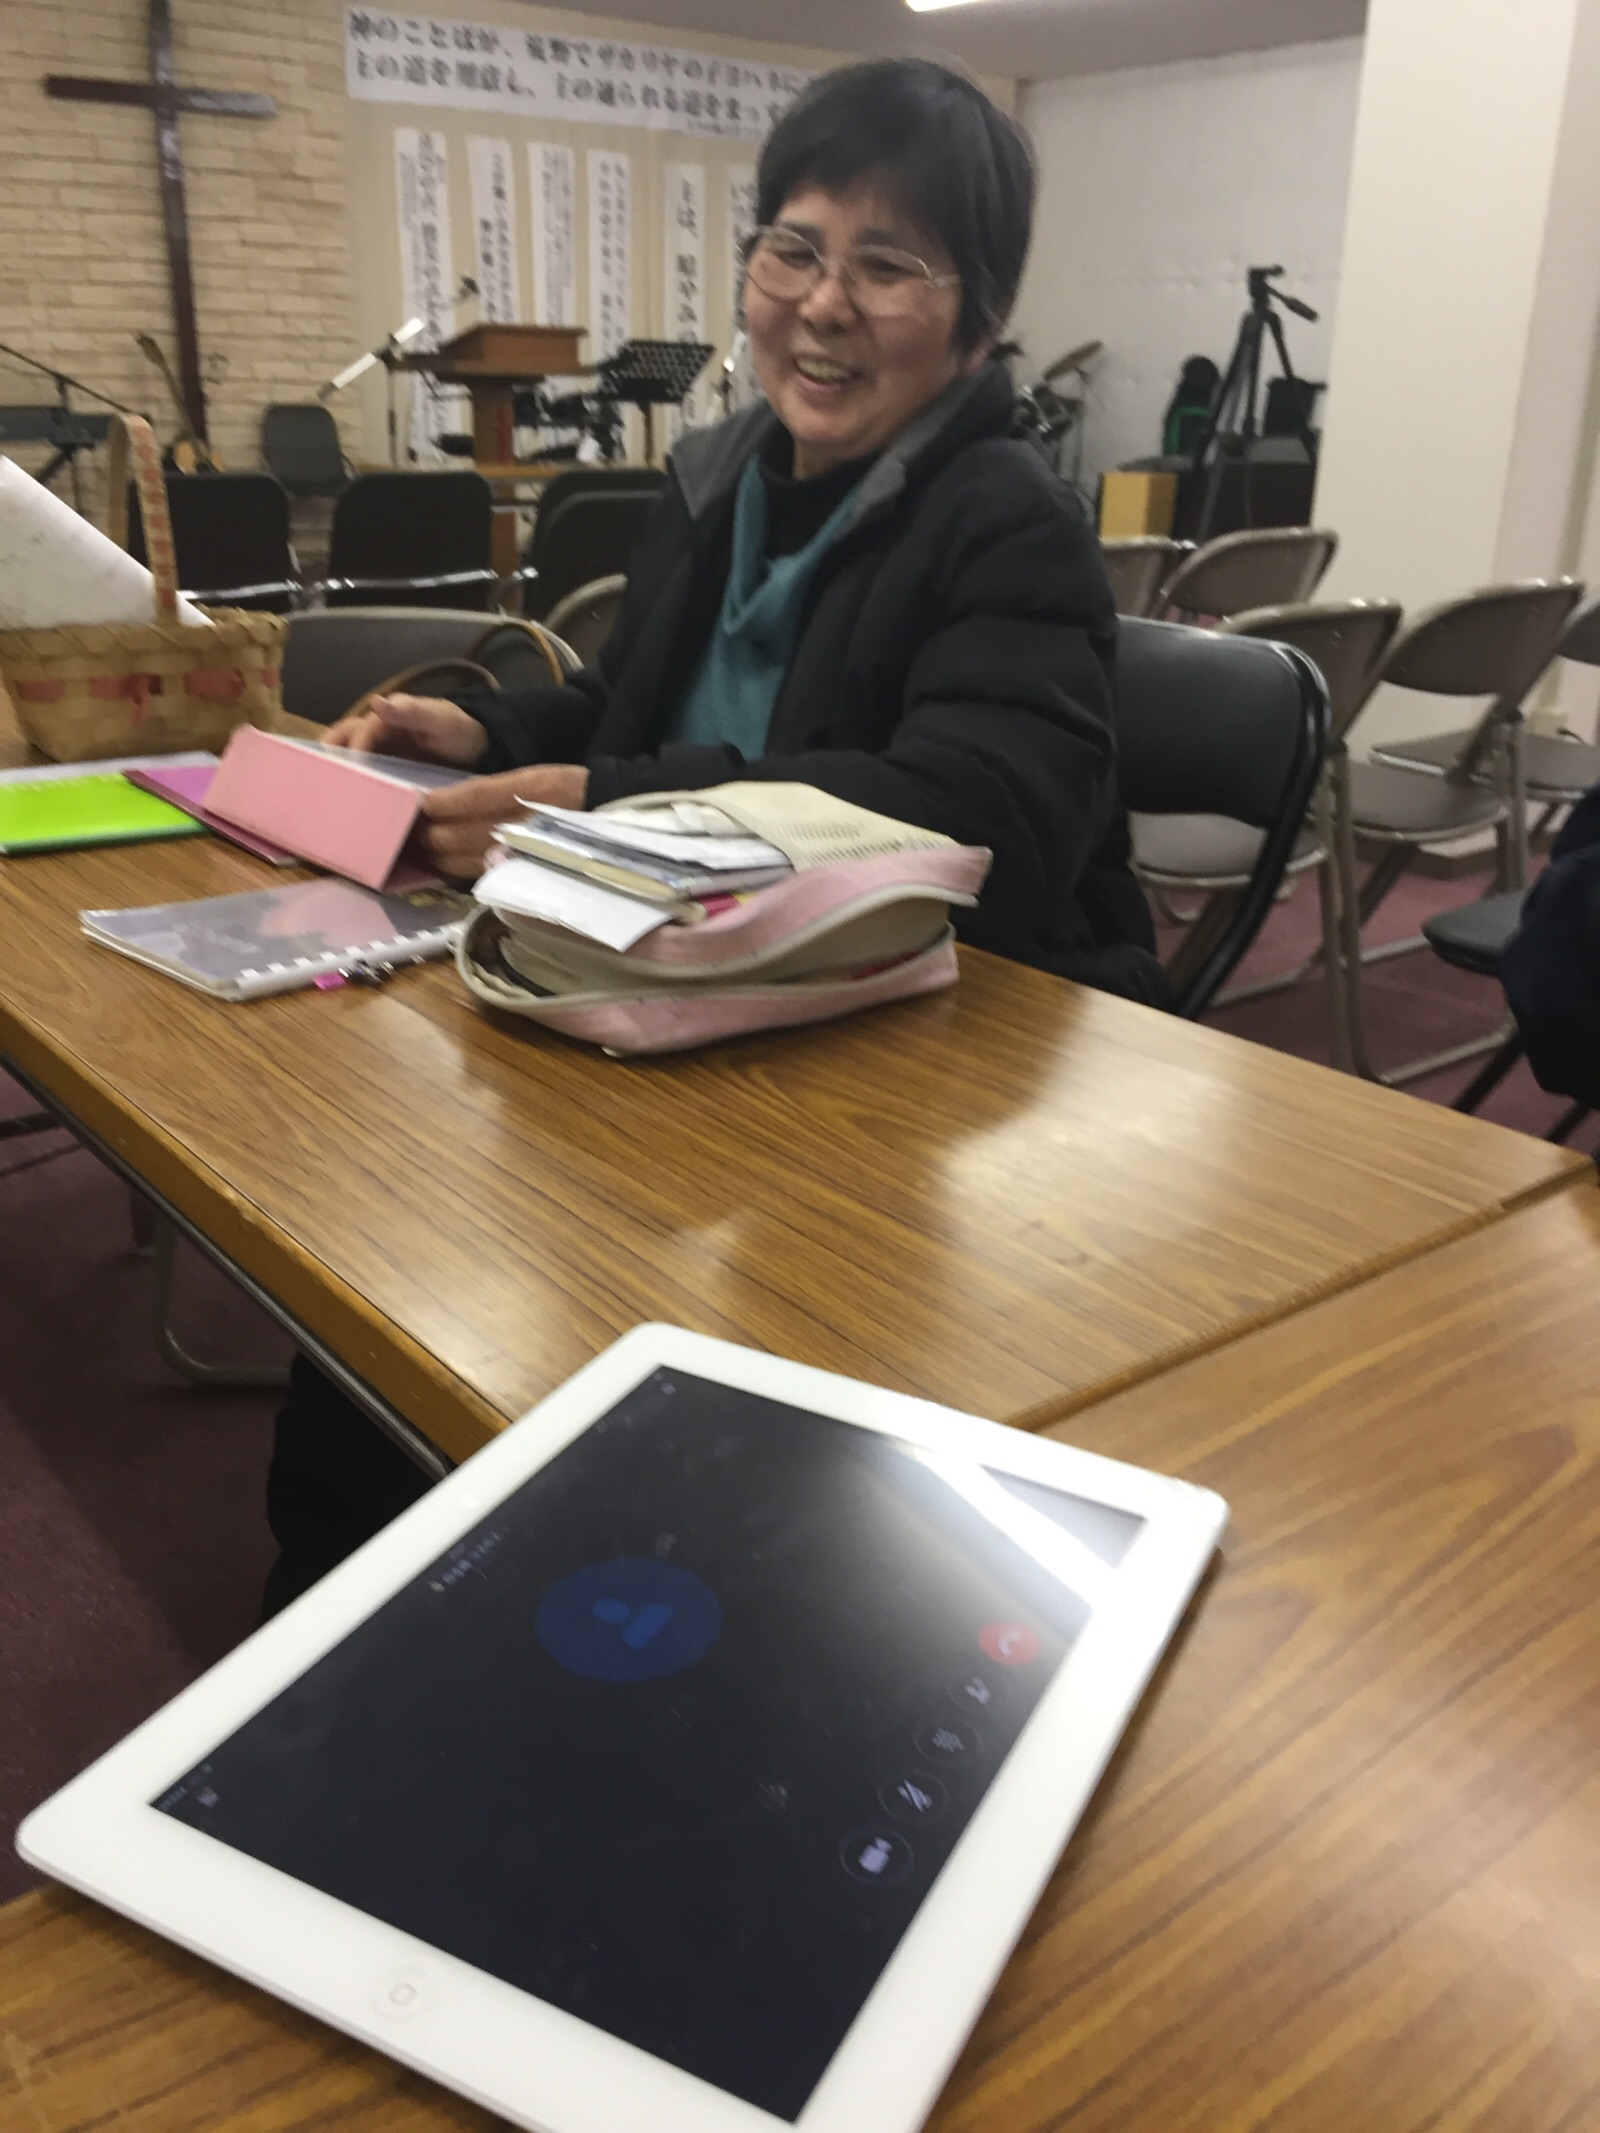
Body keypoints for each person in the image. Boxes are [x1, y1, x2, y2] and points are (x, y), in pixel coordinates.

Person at [261, 58, 1167, 1618]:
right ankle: (352, 1604)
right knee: (386, 1246)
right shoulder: (720, 475)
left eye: (889, 264)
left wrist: (610, 803)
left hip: (917, 1040)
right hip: (678, 985)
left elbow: (986, 813)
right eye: (792, 247)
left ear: (978, 319)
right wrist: (491, 733)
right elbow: (634, 709)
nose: (822, 304)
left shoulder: (1008, 517)